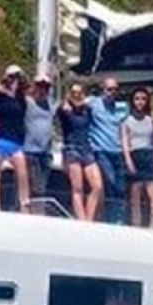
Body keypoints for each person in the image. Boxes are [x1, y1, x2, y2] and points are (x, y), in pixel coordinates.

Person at [0, 65, 32, 212]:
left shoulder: (20, 98)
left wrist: (20, 81)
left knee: (23, 174)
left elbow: (28, 87)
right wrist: (6, 81)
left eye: (16, 77)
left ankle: (25, 205)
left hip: (15, 142)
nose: (14, 80)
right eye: (12, 76)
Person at [56, 81, 102, 221]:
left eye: (79, 93)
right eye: (73, 93)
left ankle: (88, 217)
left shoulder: (87, 109)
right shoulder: (65, 110)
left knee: (97, 186)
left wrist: (84, 102)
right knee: (77, 188)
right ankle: (81, 219)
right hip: (72, 148)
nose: (76, 95)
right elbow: (59, 108)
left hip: (86, 148)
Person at [86, 76, 127, 224]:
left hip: (118, 152)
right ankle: (109, 220)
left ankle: (118, 220)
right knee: (110, 185)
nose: (112, 92)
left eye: (115, 89)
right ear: (102, 90)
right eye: (109, 89)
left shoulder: (122, 107)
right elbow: (73, 102)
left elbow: (126, 128)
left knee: (121, 189)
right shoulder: (92, 103)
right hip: (101, 151)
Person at [121, 86, 153, 230]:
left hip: (149, 155)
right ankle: (136, 227)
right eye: (137, 99)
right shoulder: (127, 121)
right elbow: (125, 143)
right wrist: (128, 161)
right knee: (135, 197)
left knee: (152, 196)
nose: (140, 102)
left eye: (143, 99)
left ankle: (151, 227)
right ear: (132, 101)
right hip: (135, 155)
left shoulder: (152, 120)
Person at [23, 74, 55, 214]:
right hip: (30, 151)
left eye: (46, 87)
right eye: (40, 86)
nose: (43, 90)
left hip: (45, 152)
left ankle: (39, 213)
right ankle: (29, 213)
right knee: (33, 187)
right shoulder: (27, 101)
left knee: (42, 187)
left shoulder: (51, 104)